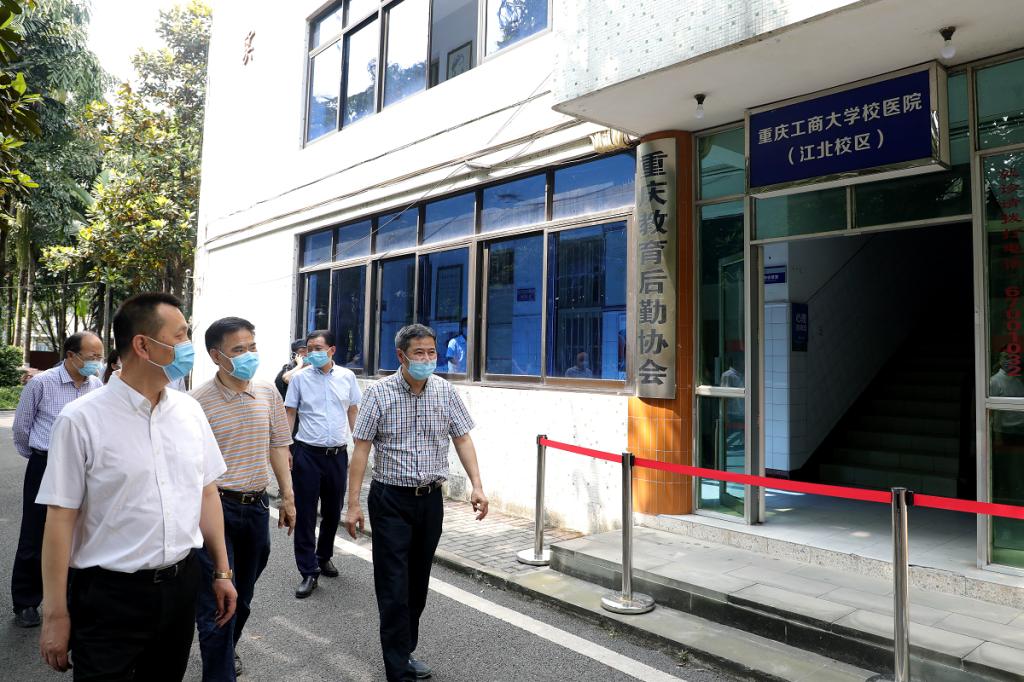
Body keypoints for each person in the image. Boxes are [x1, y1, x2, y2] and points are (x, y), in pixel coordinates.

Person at [36, 292, 237, 680]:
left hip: (180, 587)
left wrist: (222, 571)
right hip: (109, 596)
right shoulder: (80, 420)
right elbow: (59, 519)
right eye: (180, 336)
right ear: (143, 346)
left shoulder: (189, 411)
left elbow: (206, 492)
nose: (188, 346)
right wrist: (56, 615)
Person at [345, 323, 488, 682]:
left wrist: (477, 485)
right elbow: (361, 449)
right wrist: (353, 504)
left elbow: (463, 439)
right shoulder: (378, 394)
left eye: (431, 352)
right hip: (390, 500)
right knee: (393, 586)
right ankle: (398, 670)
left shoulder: (445, 391)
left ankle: (404, 651)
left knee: (417, 584)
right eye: (419, 353)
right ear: (401, 356)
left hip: (430, 501)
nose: (426, 359)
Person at [191, 317, 297, 680]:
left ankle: (224, 648)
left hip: (257, 508)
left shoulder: (267, 392)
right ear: (216, 356)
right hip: (215, 509)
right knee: (217, 599)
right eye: (239, 350)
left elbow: (278, 446)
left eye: (252, 347)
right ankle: (219, 669)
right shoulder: (196, 403)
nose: (249, 355)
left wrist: (288, 497)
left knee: (244, 596)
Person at [10, 331, 105, 629]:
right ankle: (26, 601)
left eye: (100, 356)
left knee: (79, 531)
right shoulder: (42, 383)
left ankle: (71, 598)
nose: (97, 362)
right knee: (35, 532)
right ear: (71, 355)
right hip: (46, 463)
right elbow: (21, 428)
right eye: (92, 357)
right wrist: (41, 457)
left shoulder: (96, 385)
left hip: (84, 466)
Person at [284, 329, 360, 598]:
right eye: (309, 348)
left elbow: (353, 410)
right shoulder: (299, 379)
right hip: (307, 454)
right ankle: (308, 571)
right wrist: (286, 448)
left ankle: (324, 555)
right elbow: (290, 413)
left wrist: (360, 445)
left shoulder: (347, 377)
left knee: (332, 511)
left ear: (332, 350)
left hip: (337, 455)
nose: (312, 353)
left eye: (318, 348)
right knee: (305, 513)